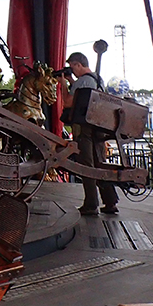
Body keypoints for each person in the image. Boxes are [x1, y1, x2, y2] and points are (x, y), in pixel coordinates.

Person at [59, 51, 118, 216]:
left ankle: (91, 204)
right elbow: (84, 95)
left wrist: (63, 84)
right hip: (97, 127)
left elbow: (68, 102)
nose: (72, 70)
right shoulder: (97, 79)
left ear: (78, 64)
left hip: (84, 128)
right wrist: (72, 82)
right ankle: (110, 201)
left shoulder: (82, 81)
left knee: (86, 165)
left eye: (72, 67)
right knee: (100, 163)